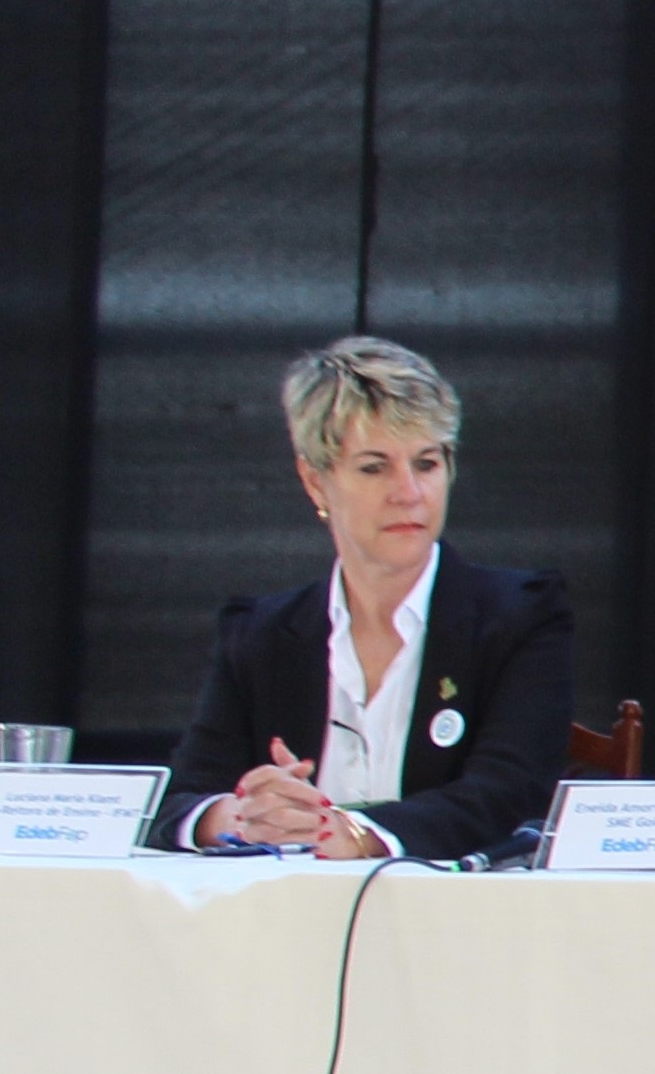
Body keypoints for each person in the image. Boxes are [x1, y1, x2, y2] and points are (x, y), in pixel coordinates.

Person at [165, 336, 575, 861]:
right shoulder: (260, 635)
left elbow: (510, 795)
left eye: (426, 464)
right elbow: (179, 801)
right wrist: (245, 816)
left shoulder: (520, 616)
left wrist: (357, 832)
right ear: (315, 482)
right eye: (374, 467)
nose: (409, 493)